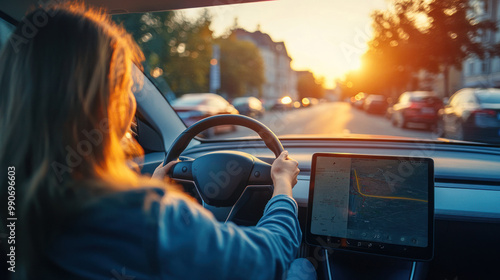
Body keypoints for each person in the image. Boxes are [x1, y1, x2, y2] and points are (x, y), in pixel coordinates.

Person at [0, 2, 316, 279]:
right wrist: (283, 186)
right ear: (106, 103)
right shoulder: (148, 215)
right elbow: (268, 258)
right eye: (125, 89)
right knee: (301, 269)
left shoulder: (12, 199)